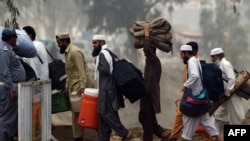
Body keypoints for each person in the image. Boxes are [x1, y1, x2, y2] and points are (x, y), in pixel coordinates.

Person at [91, 34, 132, 141]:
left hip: (107, 90)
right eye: (93, 42)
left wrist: (97, 63)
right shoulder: (106, 53)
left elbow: (105, 69)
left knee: (105, 113)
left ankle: (124, 133)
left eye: (95, 43)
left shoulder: (103, 54)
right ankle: (103, 138)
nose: (93, 45)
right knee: (103, 117)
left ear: (101, 42)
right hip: (106, 88)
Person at [56, 33, 94, 141]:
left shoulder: (74, 52)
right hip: (74, 86)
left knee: (86, 113)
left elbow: (82, 71)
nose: (58, 45)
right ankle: (78, 137)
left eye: (59, 43)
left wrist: (83, 87)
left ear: (65, 42)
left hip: (80, 86)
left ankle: (95, 134)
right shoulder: (67, 53)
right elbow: (70, 72)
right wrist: (67, 86)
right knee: (75, 113)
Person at [179, 44, 221, 141]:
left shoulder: (191, 62)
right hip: (201, 99)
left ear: (186, 53)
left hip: (195, 100)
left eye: (181, 54)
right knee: (211, 128)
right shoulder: (196, 60)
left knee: (187, 133)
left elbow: (195, 76)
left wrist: (185, 85)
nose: (181, 56)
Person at [138, 24, 169, 141]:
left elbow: (147, 49)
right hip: (147, 94)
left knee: (146, 121)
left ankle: (159, 134)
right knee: (145, 118)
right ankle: (163, 133)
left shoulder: (154, 61)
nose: (144, 50)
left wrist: (146, 35)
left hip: (150, 95)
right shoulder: (150, 61)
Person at [211, 47, 245, 136]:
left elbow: (231, 78)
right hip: (225, 97)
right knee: (219, 118)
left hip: (231, 97)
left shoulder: (225, 64)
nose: (212, 59)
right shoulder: (220, 65)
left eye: (213, 57)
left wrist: (227, 93)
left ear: (218, 56)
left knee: (235, 121)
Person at [0, 28, 26, 141]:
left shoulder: (8, 49)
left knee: (11, 117)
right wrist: (11, 90)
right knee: (7, 118)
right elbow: (5, 72)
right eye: (15, 37)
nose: (16, 39)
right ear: (11, 39)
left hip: (10, 87)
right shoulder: (4, 51)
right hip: (8, 88)